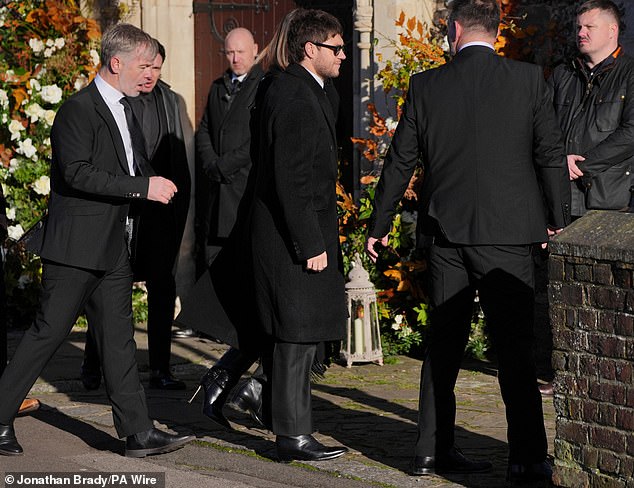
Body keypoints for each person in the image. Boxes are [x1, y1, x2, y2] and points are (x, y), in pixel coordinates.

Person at [366, 0, 570, 481]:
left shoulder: (426, 85)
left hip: (448, 235)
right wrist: (558, 217)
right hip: (508, 235)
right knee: (514, 346)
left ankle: (428, 452)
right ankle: (525, 458)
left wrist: (379, 224)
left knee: (444, 343)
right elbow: (550, 152)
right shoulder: (527, 80)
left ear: (454, 29)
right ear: (495, 33)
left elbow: (400, 162)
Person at [0, 23, 193, 458]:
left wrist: (150, 194)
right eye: (143, 65)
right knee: (48, 334)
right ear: (116, 62)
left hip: (114, 246)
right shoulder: (79, 109)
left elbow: (130, 165)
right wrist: (142, 188)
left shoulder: (126, 109)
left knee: (120, 338)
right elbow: (77, 171)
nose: (150, 74)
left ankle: (138, 432)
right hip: (75, 247)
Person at [249, 8, 349, 462]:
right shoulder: (292, 94)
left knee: (302, 335)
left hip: (301, 229)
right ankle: (291, 435)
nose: (343, 55)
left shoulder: (312, 89)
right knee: (295, 336)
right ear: (310, 50)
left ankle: (288, 426)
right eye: (336, 47)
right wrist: (310, 243)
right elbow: (291, 178)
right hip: (293, 236)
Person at [80, 41, 191, 391]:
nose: (150, 75)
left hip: (159, 212)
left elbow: (179, 162)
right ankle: (93, 362)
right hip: (123, 209)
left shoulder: (170, 101)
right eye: (145, 67)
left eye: (156, 68)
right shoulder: (115, 98)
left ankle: (161, 367)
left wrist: (179, 213)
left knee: (163, 286)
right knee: (109, 288)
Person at [178, 27, 266, 428]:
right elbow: (206, 132)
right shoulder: (217, 87)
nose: (234, 59)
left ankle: (236, 385)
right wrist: (211, 163)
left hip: (246, 193)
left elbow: (258, 140)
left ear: (255, 51)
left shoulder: (264, 86)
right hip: (220, 199)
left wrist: (227, 166)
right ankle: (247, 387)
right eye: (228, 52)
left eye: (240, 52)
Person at [550, 0, 634, 220]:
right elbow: (539, 126)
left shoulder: (629, 74)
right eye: (578, 27)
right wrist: (558, 160)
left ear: (612, 30)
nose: (581, 33)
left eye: (589, 27)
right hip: (560, 200)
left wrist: (581, 165)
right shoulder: (562, 74)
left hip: (610, 202)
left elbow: (631, 132)